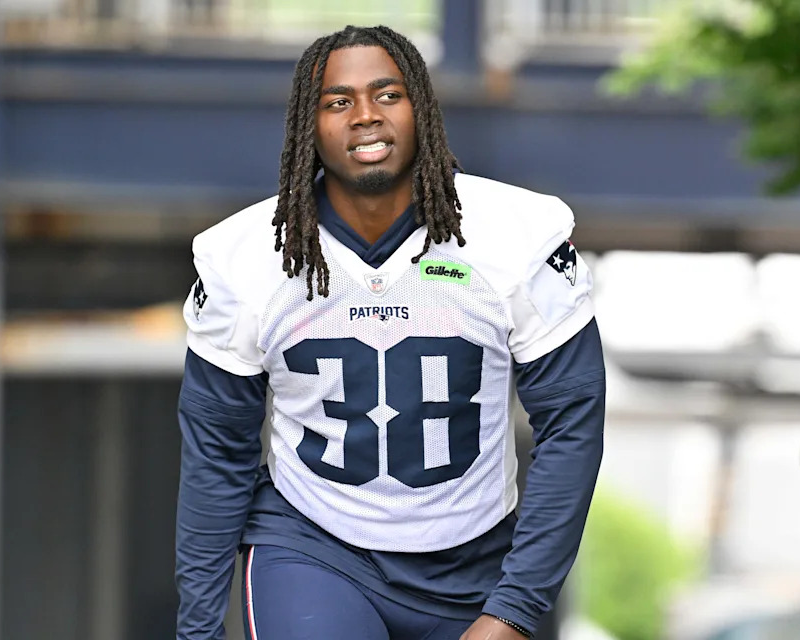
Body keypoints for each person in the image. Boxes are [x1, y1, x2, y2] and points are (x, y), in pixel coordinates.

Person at [175, 24, 605, 640]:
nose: (366, 116)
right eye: (338, 101)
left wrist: (516, 606)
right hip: (315, 548)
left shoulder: (515, 234)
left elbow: (573, 421)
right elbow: (216, 452)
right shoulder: (244, 256)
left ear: (421, 109)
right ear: (308, 123)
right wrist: (197, 633)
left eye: (388, 94)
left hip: (474, 560)